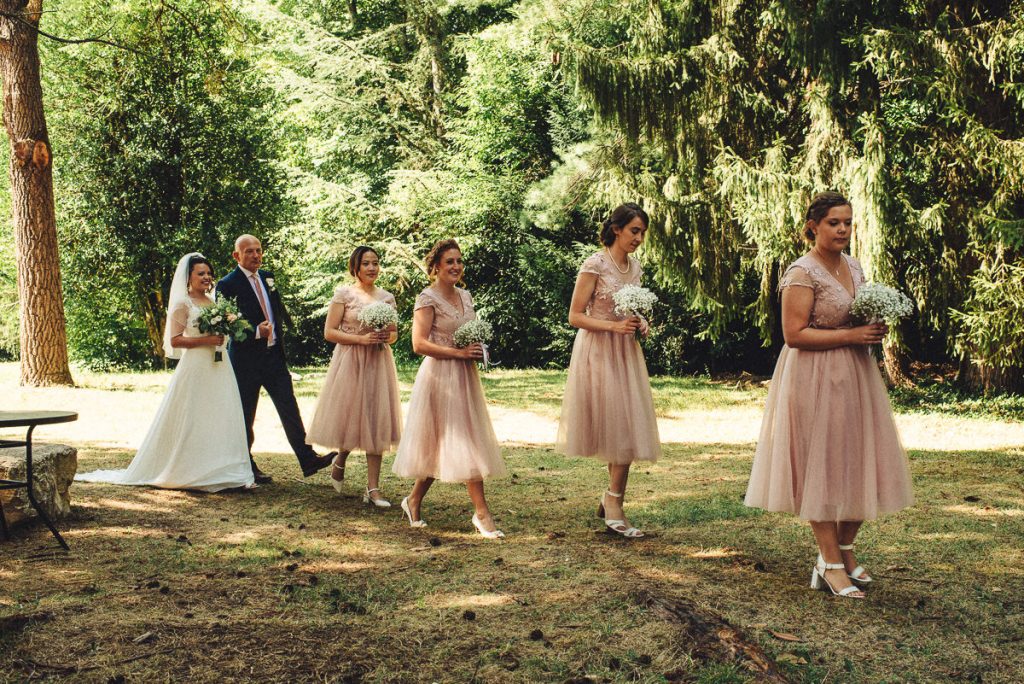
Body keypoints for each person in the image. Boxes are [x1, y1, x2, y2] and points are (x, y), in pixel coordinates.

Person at [744, 191, 914, 599]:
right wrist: (852, 334)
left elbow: (856, 311)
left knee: (858, 459)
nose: (842, 230)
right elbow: (794, 334)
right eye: (834, 223)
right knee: (820, 463)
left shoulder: (853, 266)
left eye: (848, 223)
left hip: (856, 375)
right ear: (813, 226)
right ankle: (829, 561)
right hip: (813, 376)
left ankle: (847, 549)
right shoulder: (802, 272)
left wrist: (873, 325)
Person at [76, 253, 255, 491]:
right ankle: (190, 470)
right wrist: (207, 340)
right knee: (194, 416)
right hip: (196, 366)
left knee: (219, 413)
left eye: (208, 273)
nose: (206, 277)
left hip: (219, 366)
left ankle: (222, 469)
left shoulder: (213, 303)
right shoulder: (183, 304)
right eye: (200, 273)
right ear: (188, 277)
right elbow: (175, 340)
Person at [556, 203, 661, 538]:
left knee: (628, 424)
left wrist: (639, 322)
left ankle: (613, 498)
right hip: (598, 351)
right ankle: (613, 500)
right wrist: (612, 328)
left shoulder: (635, 267)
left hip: (626, 354)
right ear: (616, 229)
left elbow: (628, 309)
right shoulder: (595, 264)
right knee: (616, 423)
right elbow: (575, 316)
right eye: (634, 231)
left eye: (642, 232)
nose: (639, 238)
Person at [392, 239, 507, 538]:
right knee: (460, 438)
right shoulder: (427, 298)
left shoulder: (466, 296)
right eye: (450, 262)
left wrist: (479, 349)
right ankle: (482, 513)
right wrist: (457, 353)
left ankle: (413, 499)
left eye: (459, 261)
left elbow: (470, 332)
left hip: (465, 377)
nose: (456, 266)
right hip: (440, 376)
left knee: (446, 440)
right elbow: (418, 344)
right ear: (436, 267)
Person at [216, 235, 336, 484]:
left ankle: (307, 458)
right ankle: (246, 465)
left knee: (289, 408)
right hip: (246, 361)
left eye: (258, 250)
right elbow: (227, 323)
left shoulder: (268, 277)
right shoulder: (226, 284)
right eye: (249, 251)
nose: (255, 255)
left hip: (274, 358)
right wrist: (257, 331)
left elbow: (275, 310)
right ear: (236, 256)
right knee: (245, 415)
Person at [307, 246, 401, 507]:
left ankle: (373, 489)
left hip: (377, 361)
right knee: (350, 415)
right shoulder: (344, 294)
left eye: (375, 263)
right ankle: (340, 458)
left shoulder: (387, 297)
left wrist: (386, 336)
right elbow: (329, 332)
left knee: (375, 419)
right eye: (366, 263)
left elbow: (394, 333)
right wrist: (359, 339)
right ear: (355, 268)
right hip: (350, 361)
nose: (372, 268)